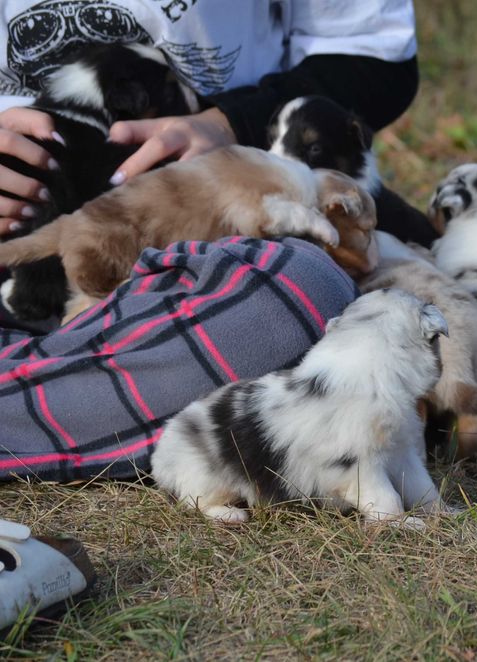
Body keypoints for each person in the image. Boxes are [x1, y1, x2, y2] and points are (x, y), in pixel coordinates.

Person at [0, 1, 419, 481]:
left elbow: (376, 56)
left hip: (217, 247)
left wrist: (229, 123)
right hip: (46, 269)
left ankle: (41, 400)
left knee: (304, 290)